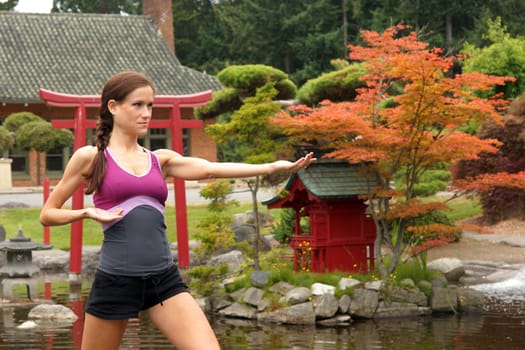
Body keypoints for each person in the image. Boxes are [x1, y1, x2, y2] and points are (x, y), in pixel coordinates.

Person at [40, 70, 316, 350]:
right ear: (113, 107)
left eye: (150, 105)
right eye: (137, 105)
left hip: (164, 280)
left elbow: (211, 169)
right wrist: (86, 213)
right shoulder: (91, 158)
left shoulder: (160, 160)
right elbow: (47, 214)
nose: (146, 113)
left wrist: (271, 167)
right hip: (116, 279)